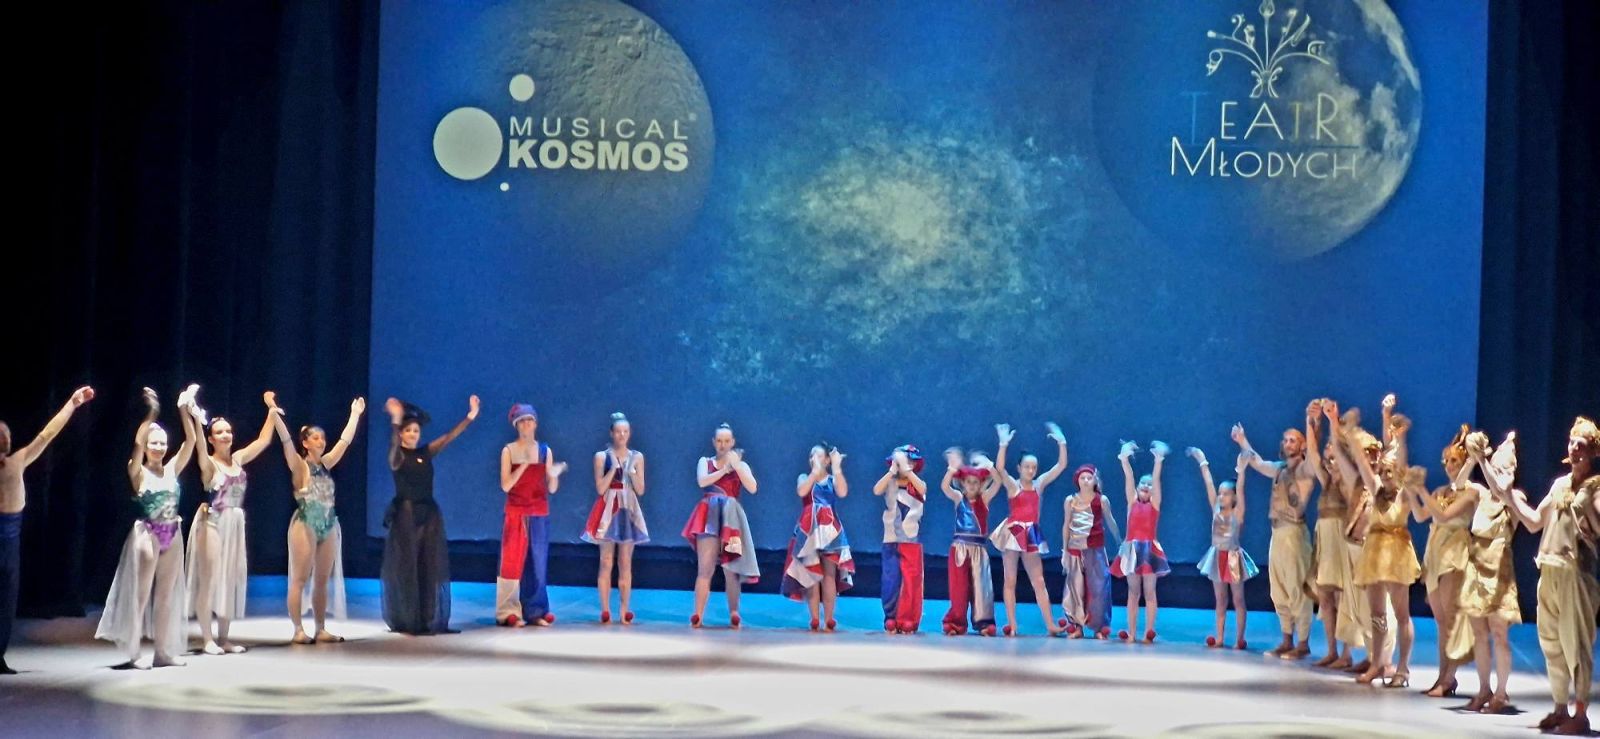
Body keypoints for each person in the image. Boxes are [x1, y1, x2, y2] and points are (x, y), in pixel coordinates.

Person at [1495, 417, 1600, 735]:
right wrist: (1508, 494)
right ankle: (1559, 707)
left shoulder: (1596, 488)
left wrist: (1587, 508)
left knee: (1576, 644)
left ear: (1593, 451)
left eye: (1582, 445)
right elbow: (1532, 522)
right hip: (1548, 569)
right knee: (1551, 642)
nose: (1575, 449)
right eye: (1572, 442)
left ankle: (1580, 713)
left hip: (1574, 574)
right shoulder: (1559, 485)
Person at [97, 388, 192, 668]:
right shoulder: (137, 470)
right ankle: (135, 652)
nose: (159, 447)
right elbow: (137, 444)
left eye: (162, 443)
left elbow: (191, 441)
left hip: (172, 532)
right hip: (148, 533)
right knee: (140, 595)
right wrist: (151, 414)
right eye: (154, 443)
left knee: (165, 597)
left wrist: (184, 410)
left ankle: (162, 652)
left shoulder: (172, 469)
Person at [184, 387, 281, 655]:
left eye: (228, 431)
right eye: (219, 432)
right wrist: (195, 418)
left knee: (229, 578)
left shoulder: (237, 459)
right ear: (211, 438)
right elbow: (199, 448)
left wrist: (271, 410)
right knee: (210, 579)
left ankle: (224, 637)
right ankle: (207, 638)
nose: (226, 435)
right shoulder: (209, 464)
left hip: (235, 523)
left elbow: (263, 440)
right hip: (213, 522)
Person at [270, 396, 364, 643]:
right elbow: (286, 441)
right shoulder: (299, 465)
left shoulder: (326, 463)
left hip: (328, 523)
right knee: (300, 578)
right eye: (315, 438)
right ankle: (298, 629)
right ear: (305, 442)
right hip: (306, 522)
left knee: (322, 580)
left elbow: (344, 441)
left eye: (322, 438)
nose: (321, 441)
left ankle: (320, 628)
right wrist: (273, 412)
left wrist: (355, 414)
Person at [381, 395, 478, 635]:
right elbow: (393, 451)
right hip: (406, 516)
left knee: (428, 566)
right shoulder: (398, 457)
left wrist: (470, 417)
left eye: (416, 431)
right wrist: (396, 420)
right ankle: (408, 619)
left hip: (429, 515)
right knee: (408, 566)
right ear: (401, 434)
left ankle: (426, 618)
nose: (413, 434)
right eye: (408, 431)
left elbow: (448, 437)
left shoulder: (425, 452)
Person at [496, 403, 566, 627]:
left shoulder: (545, 451)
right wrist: (524, 465)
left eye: (530, 420)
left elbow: (551, 488)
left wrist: (554, 476)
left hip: (538, 512)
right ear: (516, 425)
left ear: (535, 424)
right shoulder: (508, 451)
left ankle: (536, 610)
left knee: (537, 562)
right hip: (516, 512)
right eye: (522, 421)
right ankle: (508, 611)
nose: (527, 424)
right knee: (511, 562)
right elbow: (506, 485)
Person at [682, 423, 759, 628]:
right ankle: (698, 614)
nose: (723, 445)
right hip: (709, 514)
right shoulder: (705, 462)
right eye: (719, 441)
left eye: (726, 441)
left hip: (731, 517)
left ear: (732, 442)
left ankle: (734, 613)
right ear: (714, 442)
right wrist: (725, 469)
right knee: (705, 568)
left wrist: (737, 467)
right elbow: (702, 482)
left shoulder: (742, 465)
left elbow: (752, 488)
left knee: (731, 569)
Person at [583, 412, 649, 624]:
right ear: (611, 433)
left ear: (630, 433)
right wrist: (614, 468)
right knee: (605, 560)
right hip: (608, 508)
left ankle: (624, 609)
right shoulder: (602, 457)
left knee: (625, 561)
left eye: (625, 431)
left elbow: (640, 489)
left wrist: (631, 471)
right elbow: (600, 488)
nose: (622, 435)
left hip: (628, 507)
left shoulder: (637, 456)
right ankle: (605, 609)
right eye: (618, 431)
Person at [781, 444, 853, 631]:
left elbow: (842, 492)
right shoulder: (805, 477)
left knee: (829, 574)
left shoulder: (832, 479)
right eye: (811, 456)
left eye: (819, 456)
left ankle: (829, 618)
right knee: (811, 573)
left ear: (827, 460)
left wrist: (837, 468)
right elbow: (802, 491)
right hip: (809, 528)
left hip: (829, 529)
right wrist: (814, 472)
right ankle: (814, 618)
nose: (814, 459)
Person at [1191, 446, 1255, 649]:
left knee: (1238, 599)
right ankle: (1219, 637)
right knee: (1220, 599)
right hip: (1217, 556)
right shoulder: (1216, 510)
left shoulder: (1238, 513)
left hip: (1233, 558)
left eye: (1226, 494)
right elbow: (1209, 483)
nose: (1221, 497)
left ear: (1234, 497)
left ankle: (1239, 638)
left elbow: (1241, 489)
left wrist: (1241, 470)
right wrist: (1202, 461)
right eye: (1220, 494)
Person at [1111, 439, 1171, 643]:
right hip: (1131, 550)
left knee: (1150, 592)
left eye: (1149, 484)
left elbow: (1157, 480)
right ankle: (1132, 632)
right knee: (1133, 592)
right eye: (1143, 483)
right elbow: (1128, 477)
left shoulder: (1155, 504)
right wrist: (1124, 459)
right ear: (1136, 488)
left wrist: (1158, 461)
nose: (1146, 485)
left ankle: (1149, 631)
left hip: (1149, 551)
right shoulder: (1131, 502)